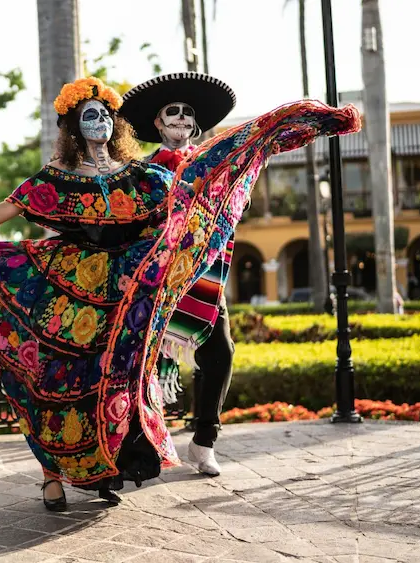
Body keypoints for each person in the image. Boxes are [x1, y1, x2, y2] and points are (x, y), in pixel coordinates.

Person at [0, 77, 361, 512]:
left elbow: (193, 192)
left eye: (106, 116)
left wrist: (268, 134)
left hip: (126, 295)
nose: (100, 123)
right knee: (55, 380)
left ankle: (107, 470)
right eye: (90, 116)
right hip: (68, 292)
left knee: (117, 381)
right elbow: (7, 208)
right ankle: (51, 474)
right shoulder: (57, 178)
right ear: (73, 127)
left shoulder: (141, 175)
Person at [120, 72, 237, 476]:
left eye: (189, 112)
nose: (183, 117)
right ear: (158, 122)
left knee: (220, 352)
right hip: (155, 280)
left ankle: (204, 441)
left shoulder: (214, 164)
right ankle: (145, 444)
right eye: (174, 111)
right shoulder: (139, 171)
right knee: (142, 363)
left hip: (202, 277)